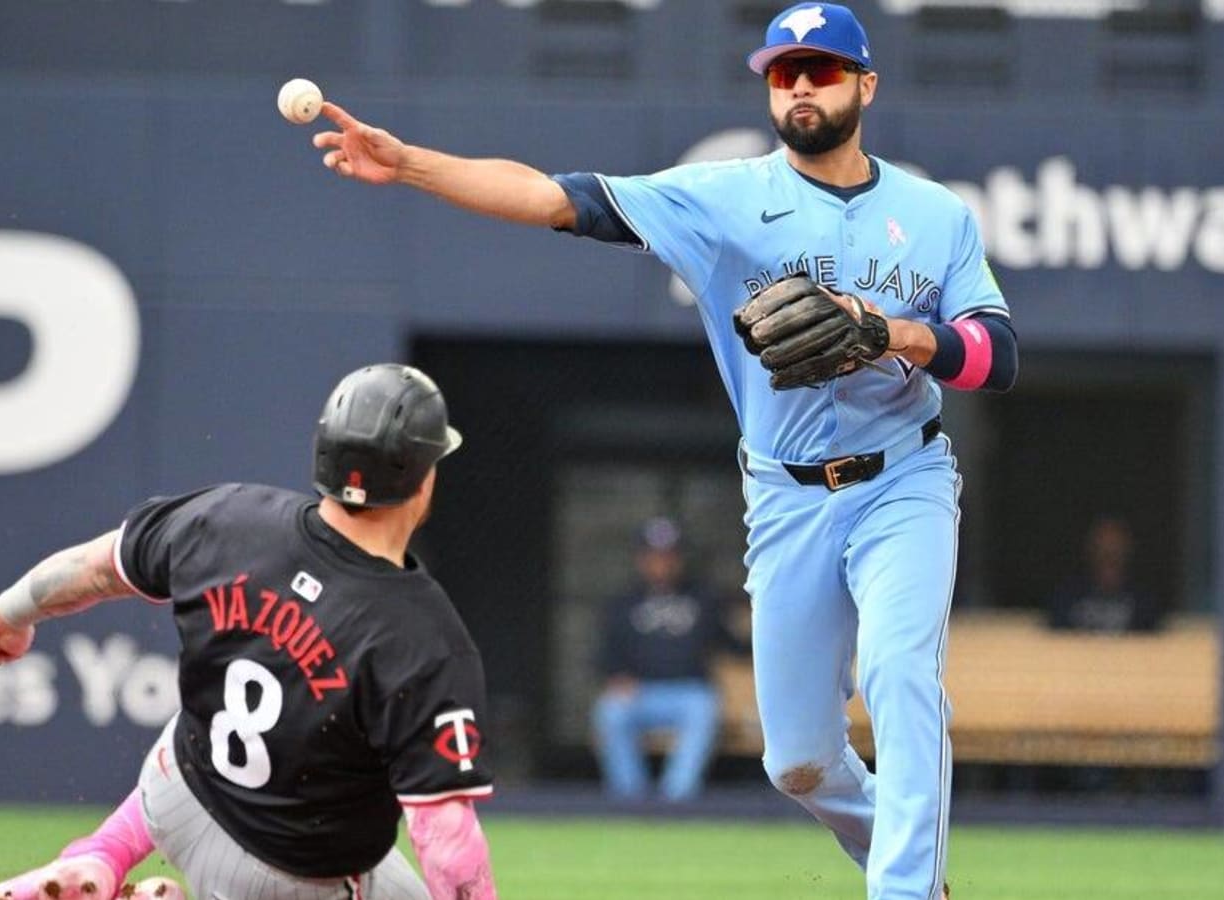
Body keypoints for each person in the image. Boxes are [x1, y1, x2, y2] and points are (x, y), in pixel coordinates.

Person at [307, 4, 1017, 896]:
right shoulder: (722, 198)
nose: (800, 85)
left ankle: (905, 889)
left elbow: (997, 354)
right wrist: (409, 164)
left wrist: (895, 334)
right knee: (797, 760)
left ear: (864, 84)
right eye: (783, 72)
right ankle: (900, 854)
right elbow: (552, 197)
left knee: (899, 671)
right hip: (788, 497)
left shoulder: (933, 214)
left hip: (903, 479)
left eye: (823, 69)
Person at [0, 364, 500, 900]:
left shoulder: (227, 519)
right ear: (425, 478)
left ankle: (102, 854)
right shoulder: (422, 637)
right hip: (290, 877)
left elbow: (98, 567)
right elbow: (443, 837)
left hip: (174, 795)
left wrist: (9, 614)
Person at [592, 517, 737, 802]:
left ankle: (676, 800)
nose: (662, 563)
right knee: (610, 711)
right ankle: (630, 799)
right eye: (654, 556)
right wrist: (616, 677)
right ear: (641, 559)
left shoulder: (703, 597)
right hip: (640, 693)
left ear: (680, 558)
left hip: (689, 692)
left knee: (704, 708)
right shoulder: (623, 602)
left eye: (669, 556)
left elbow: (731, 644)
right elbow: (604, 655)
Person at [1047, 515, 1165, 633]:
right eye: (1102, 549)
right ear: (1091, 551)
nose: (1109, 557)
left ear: (1127, 552)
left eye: (1116, 550)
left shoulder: (1144, 602)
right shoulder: (1067, 598)